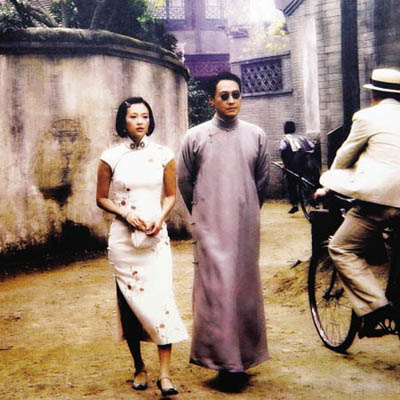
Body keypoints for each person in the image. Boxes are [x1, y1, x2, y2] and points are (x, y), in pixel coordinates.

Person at [177, 71, 270, 385]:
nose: (231, 100)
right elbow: (185, 182)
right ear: (212, 100)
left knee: (243, 289)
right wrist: (202, 215)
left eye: (236, 95)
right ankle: (223, 362)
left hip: (245, 226)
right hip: (210, 226)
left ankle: (244, 357)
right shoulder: (195, 137)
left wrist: (246, 207)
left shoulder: (257, 135)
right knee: (215, 291)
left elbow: (261, 182)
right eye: (224, 96)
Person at [96, 97, 188, 396]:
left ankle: (165, 374)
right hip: (124, 240)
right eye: (133, 116)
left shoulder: (163, 154)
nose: (140, 121)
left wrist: (160, 219)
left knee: (162, 300)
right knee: (130, 304)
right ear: (123, 121)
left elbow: (170, 196)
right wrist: (125, 213)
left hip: (155, 238)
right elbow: (101, 198)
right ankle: (139, 366)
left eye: (145, 116)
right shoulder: (110, 157)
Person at [315, 68, 400, 338]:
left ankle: (376, 308)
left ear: (373, 94)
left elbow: (344, 156)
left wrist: (328, 185)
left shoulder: (366, 117)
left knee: (342, 247)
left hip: (380, 200)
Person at [279, 121, 316, 214]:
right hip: (306, 164)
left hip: (293, 166)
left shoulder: (285, 139)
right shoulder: (302, 138)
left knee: (291, 185)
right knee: (307, 182)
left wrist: (285, 164)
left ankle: (295, 204)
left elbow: (282, 149)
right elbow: (312, 146)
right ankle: (313, 201)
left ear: (285, 129)